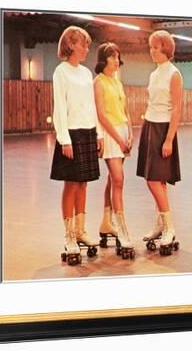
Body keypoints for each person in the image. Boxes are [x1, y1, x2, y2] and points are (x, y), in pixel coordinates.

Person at [50, 26, 103, 266]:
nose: (86, 49)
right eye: (84, 44)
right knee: (70, 184)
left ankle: (81, 230)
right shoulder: (61, 72)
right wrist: (64, 138)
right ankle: (69, 235)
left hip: (88, 131)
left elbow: (91, 105)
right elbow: (59, 107)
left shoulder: (85, 74)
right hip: (70, 132)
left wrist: (99, 134)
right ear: (71, 45)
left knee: (83, 183)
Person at [136, 30, 183, 256]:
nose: (152, 51)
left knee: (154, 180)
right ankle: (161, 225)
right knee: (157, 181)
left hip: (164, 128)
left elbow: (176, 108)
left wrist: (169, 139)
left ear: (166, 48)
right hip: (150, 125)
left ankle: (170, 227)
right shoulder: (154, 74)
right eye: (150, 47)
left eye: (155, 47)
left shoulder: (174, 74)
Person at [93, 42, 135, 259]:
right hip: (110, 134)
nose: (117, 60)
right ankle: (122, 228)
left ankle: (106, 223)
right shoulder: (98, 82)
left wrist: (130, 131)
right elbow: (101, 114)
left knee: (112, 180)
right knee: (118, 179)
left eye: (118, 56)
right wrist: (118, 138)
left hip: (122, 132)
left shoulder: (117, 82)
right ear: (103, 60)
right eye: (112, 57)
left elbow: (125, 110)